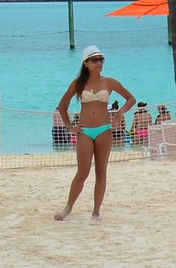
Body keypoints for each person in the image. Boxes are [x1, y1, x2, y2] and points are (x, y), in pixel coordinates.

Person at [53, 46, 138, 221]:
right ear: (85, 63)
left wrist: (120, 113)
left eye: (101, 59)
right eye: (94, 60)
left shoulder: (109, 82)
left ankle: (96, 211)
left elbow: (131, 99)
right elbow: (62, 106)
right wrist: (69, 126)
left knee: (101, 171)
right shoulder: (78, 84)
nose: (99, 63)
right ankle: (68, 208)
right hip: (85, 131)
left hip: (104, 130)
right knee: (82, 172)